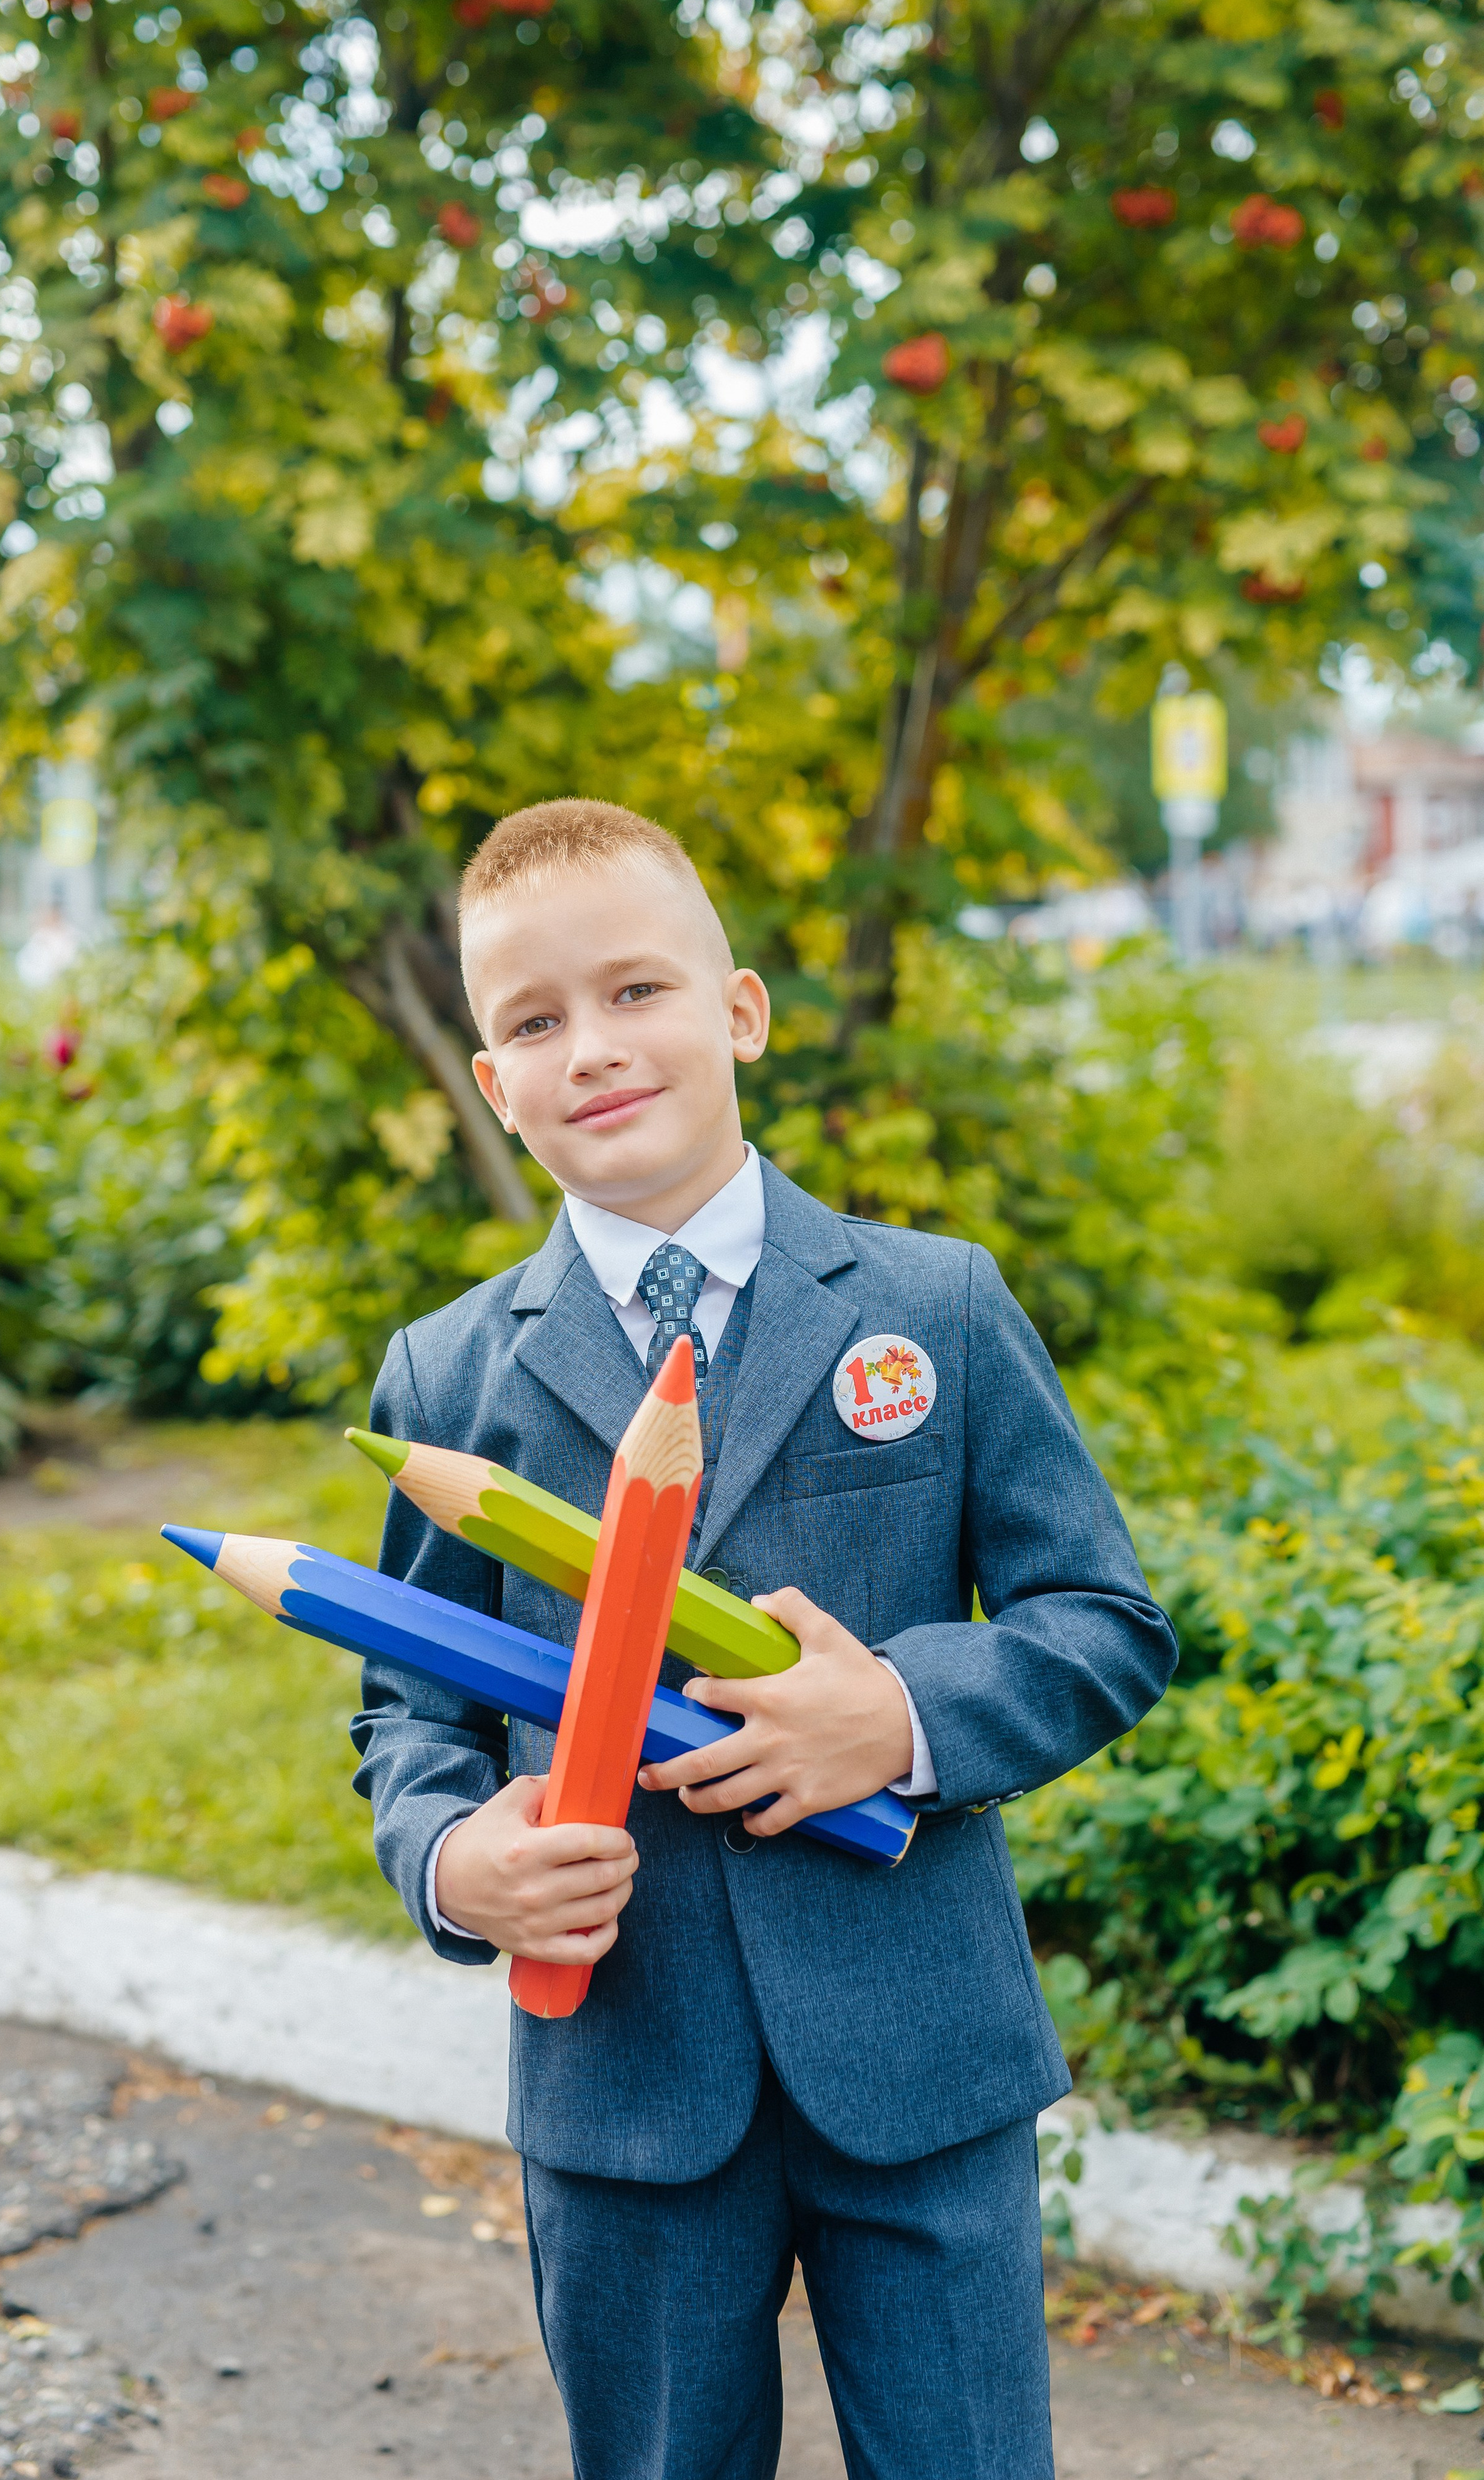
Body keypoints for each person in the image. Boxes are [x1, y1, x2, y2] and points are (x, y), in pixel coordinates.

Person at [354, 800, 1176, 2480]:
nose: (590, 1047)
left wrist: (898, 1716)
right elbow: (410, 1708)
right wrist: (450, 1857)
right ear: (494, 1089)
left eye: (633, 990)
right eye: (531, 1022)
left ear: (737, 1010)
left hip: (919, 2062)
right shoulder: (450, 1380)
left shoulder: (930, 1304)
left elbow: (1098, 1622)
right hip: (624, 2078)